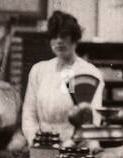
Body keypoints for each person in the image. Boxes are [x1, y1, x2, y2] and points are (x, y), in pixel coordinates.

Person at [21, 10, 104, 144]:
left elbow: (94, 117)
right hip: (43, 146)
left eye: (64, 36)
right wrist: (35, 141)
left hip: (77, 147)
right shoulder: (39, 70)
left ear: (75, 39)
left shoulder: (91, 72)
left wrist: (71, 144)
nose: (59, 41)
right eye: (54, 36)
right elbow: (29, 113)